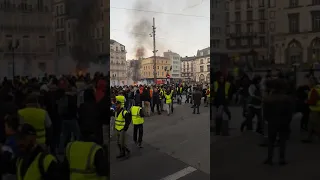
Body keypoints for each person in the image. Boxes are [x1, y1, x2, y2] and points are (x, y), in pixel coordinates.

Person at [263, 79, 293, 165]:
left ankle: (269, 158)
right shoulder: (286, 99)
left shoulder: (268, 99)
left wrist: (269, 120)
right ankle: (281, 158)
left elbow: (265, 113)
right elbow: (289, 112)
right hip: (283, 122)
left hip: (272, 122)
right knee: (282, 141)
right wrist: (287, 121)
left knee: (271, 141)